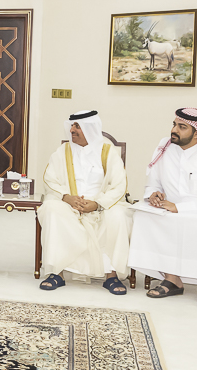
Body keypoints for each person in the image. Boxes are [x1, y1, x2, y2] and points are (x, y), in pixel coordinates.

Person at [128, 108, 197, 307]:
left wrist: (180, 208)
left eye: (182, 127)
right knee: (143, 217)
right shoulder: (165, 151)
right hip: (169, 209)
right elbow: (153, 184)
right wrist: (153, 194)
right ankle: (172, 279)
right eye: (174, 124)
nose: (174, 130)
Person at [36, 111, 132, 294]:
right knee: (50, 208)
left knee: (119, 216)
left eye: (77, 126)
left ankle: (111, 276)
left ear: (90, 128)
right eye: (71, 126)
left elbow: (119, 185)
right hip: (68, 202)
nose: (72, 130)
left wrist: (97, 204)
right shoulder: (62, 152)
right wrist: (67, 197)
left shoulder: (107, 152)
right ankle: (57, 273)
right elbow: (49, 179)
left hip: (101, 204)